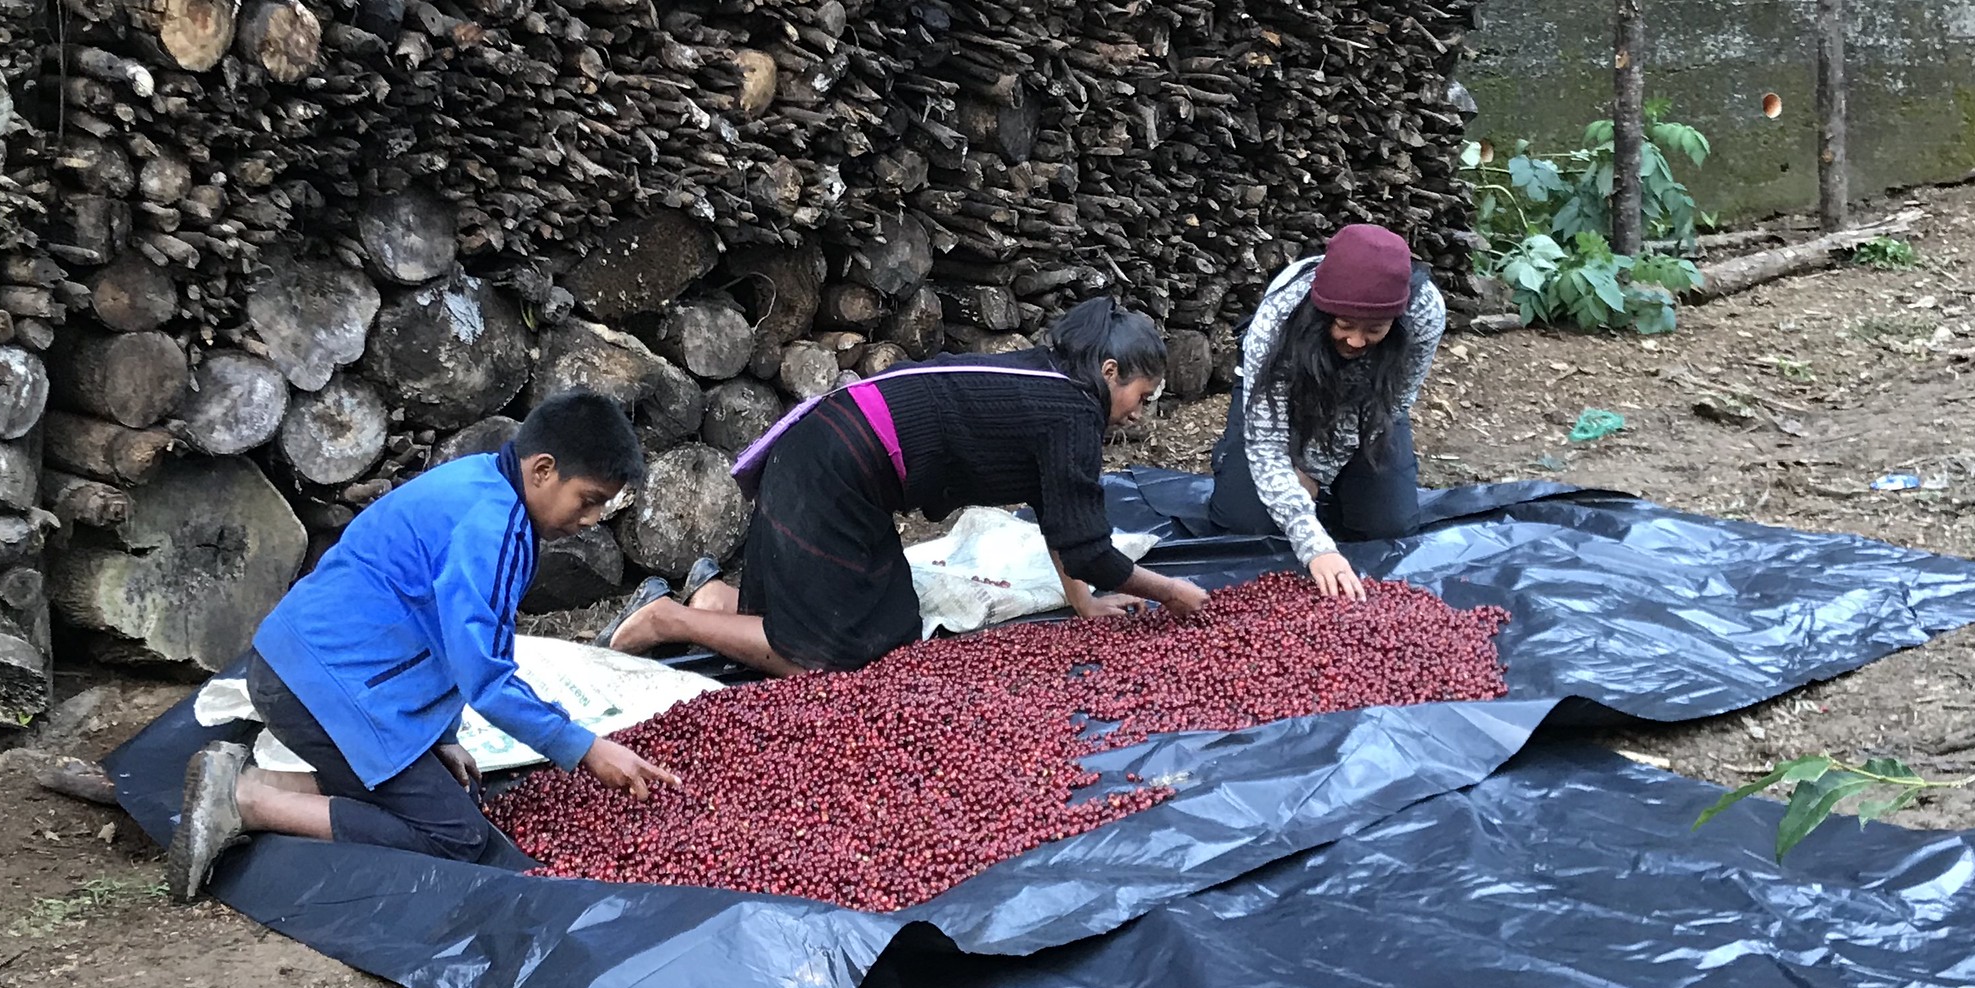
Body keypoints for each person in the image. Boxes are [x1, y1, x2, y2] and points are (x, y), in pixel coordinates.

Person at [166, 390, 678, 903]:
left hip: (307, 667)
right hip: (323, 688)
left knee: (444, 793)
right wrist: (585, 747)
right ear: (543, 470)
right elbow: (488, 678)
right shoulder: (493, 530)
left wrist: (442, 736)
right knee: (456, 837)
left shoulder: (484, 483)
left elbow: (445, 632)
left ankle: (251, 781)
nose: (591, 519)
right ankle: (244, 799)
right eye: (588, 500)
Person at [606, 298, 1212, 676]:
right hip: (833, 467)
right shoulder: (1072, 410)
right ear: (1110, 373)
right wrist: (1169, 592)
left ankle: (713, 602)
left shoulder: (1053, 380)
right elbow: (1089, 547)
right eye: (1140, 395)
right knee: (831, 651)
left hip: (830, 451)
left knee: (890, 619)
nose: (1139, 412)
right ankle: (668, 620)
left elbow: (1059, 510)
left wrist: (1083, 603)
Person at [1207, 223, 1445, 600]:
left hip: (1369, 403)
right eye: (1344, 324)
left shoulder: (1425, 311)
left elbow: (1395, 402)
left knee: (1387, 526)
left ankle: (1333, 485)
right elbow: (1267, 439)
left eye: (1375, 330)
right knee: (1244, 523)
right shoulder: (1280, 316)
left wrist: (1317, 470)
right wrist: (1313, 542)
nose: (1355, 340)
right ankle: (1232, 459)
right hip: (1288, 395)